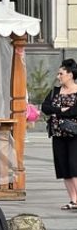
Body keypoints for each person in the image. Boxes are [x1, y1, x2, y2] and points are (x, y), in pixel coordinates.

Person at [43, 59, 77, 209]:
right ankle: (73, 200)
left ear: (70, 75)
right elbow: (45, 107)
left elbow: (75, 111)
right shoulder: (55, 91)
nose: (58, 77)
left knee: (74, 166)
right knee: (63, 168)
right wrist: (60, 110)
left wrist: (59, 112)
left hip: (74, 135)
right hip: (58, 134)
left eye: (61, 74)